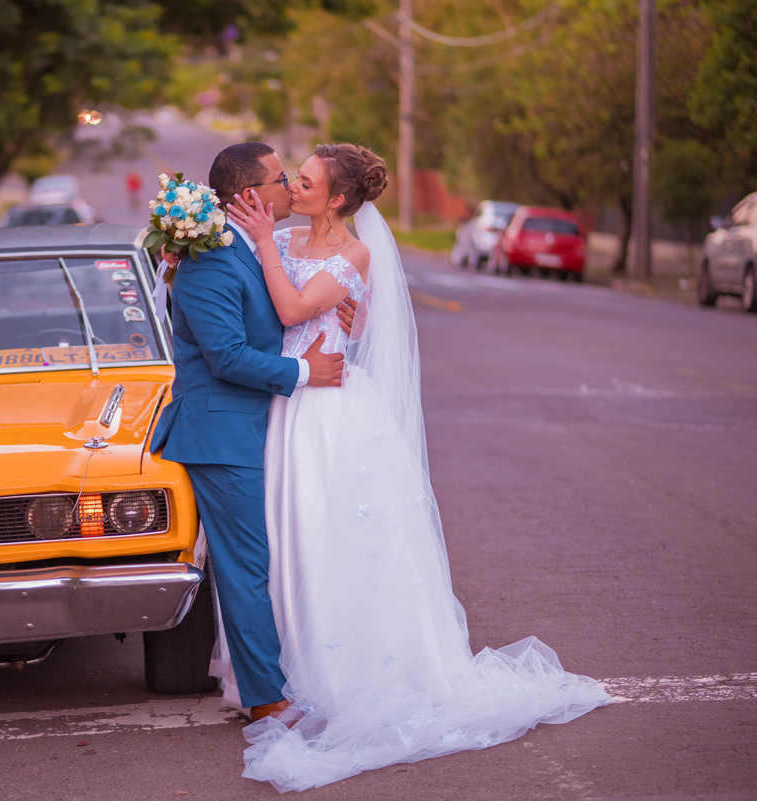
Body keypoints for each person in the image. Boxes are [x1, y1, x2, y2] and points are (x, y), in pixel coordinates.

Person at [224, 143, 611, 792]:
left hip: (329, 412)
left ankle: (334, 674)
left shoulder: (353, 254)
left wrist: (266, 245)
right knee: (285, 535)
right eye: (294, 177)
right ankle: (278, 672)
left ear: (338, 199)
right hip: (286, 401)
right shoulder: (284, 237)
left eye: (307, 181)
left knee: (327, 535)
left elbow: (291, 311)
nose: (293, 185)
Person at [148, 141, 346, 723]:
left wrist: (343, 313)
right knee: (245, 566)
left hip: (259, 425)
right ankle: (265, 699)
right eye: (282, 178)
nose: (290, 187)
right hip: (221, 433)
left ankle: (279, 679)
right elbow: (227, 356)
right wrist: (305, 371)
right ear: (250, 195)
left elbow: (290, 307)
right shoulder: (210, 261)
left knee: (270, 558)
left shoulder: (251, 247)